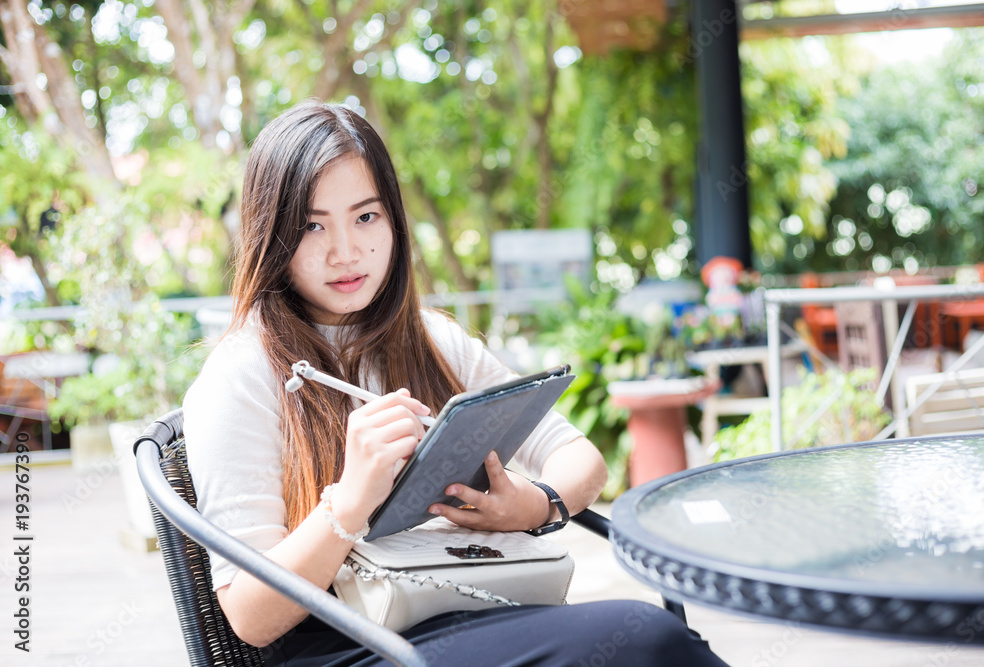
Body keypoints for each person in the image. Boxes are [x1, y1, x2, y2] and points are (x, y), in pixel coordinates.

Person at [183, 100, 730, 667]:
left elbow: (579, 458)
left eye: (366, 217)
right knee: (645, 636)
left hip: (470, 606)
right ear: (271, 234)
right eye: (311, 225)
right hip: (349, 646)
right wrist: (349, 501)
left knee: (650, 637)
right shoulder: (244, 373)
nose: (345, 252)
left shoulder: (433, 341)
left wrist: (534, 506)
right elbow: (251, 617)